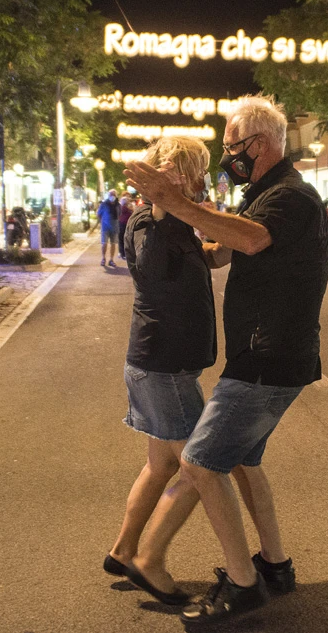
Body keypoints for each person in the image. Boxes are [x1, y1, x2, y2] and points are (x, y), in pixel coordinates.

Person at [124, 96, 328, 624]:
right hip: (265, 355)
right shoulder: (267, 193)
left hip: (266, 357)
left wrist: (177, 200)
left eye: (230, 146)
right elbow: (226, 247)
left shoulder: (289, 197)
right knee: (241, 460)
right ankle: (274, 566)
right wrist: (176, 220)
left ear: (258, 145)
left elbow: (252, 239)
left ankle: (241, 585)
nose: (225, 156)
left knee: (198, 462)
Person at [105, 137, 217, 600]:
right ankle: (150, 562)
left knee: (160, 465)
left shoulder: (173, 221)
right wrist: (166, 206)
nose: (203, 181)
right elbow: (152, 271)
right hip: (163, 364)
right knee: (202, 466)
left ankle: (123, 549)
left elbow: (188, 262)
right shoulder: (152, 220)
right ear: (175, 173)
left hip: (162, 363)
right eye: (197, 172)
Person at [96, 190, 120, 267]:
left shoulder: (118, 205)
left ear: (116, 196)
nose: (112, 196)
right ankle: (103, 258)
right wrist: (103, 221)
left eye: (113, 195)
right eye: (110, 195)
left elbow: (119, 214)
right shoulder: (104, 204)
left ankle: (111, 260)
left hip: (115, 226)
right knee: (104, 243)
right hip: (105, 227)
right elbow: (99, 214)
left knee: (113, 244)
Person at [118, 192, 133, 261]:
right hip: (126, 225)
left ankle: (122, 253)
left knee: (121, 240)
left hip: (120, 224)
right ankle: (124, 253)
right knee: (126, 239)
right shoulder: (127, 209)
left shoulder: (120, 208)